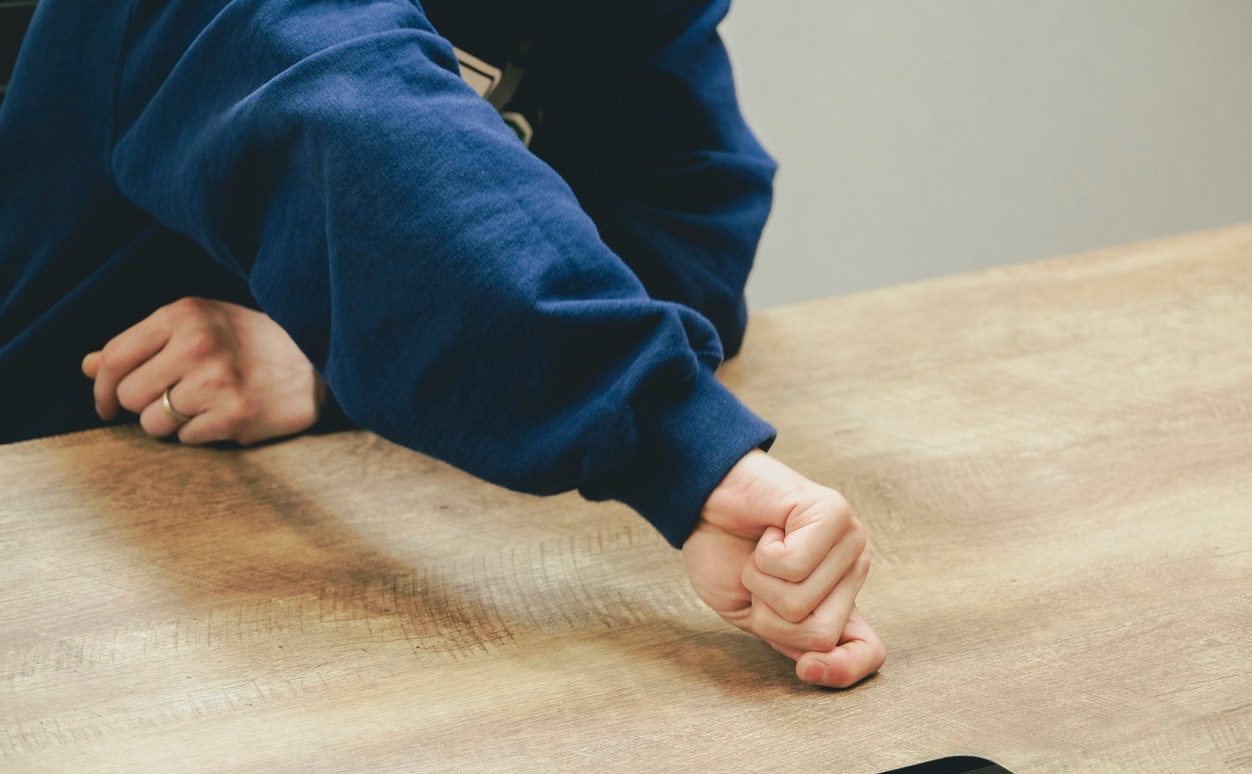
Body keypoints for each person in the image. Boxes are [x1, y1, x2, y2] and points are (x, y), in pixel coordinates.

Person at [0, 0, 884, 687]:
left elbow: (682, 233)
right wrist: (682, 448)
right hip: (61, 559)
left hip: (324, 563)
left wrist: (322, 373)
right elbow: (354, 116)